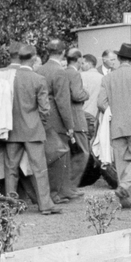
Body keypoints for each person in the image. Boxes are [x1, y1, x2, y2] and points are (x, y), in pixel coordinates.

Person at [4, 44, 60, 215]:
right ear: (34, 58)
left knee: (11, 169)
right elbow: (45, 109)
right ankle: (45, 205)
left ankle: (10, 205)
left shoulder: (8, 78)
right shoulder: (38, 79)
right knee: (39, 169)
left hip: (12, 129)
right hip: (33, 129)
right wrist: (40, 123)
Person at [97, 43, 131, 208]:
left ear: (119, 58)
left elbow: (101, 103)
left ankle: (125, 200)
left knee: (121, 164)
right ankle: (125, 187)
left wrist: (114, 112)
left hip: (117, 126)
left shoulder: (108, 78)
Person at [36, 39, 81, 204]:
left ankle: (57, 192)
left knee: (47, 158)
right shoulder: (60, 72)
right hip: (57, 121)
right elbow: (63, 102)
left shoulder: (39, 69)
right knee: (59, 158)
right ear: (63, 53)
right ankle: (57, 193)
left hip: (42, 120)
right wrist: (70, 126)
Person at [65, 47, 91, 191]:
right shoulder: (74, 74)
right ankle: (70, 187)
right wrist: (86, 93)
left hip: (67, 119)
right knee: (83, 153)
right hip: (76, 119)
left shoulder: (64, 72)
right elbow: (77, 95)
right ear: (79, 59)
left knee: (71, 155)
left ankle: (66, 187)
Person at [80, 53, 104, 143]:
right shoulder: (102, 78)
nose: (81, 66)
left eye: (83, 63)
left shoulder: (80, 76)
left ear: (89, 64)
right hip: (95, 115)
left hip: (81, 114)